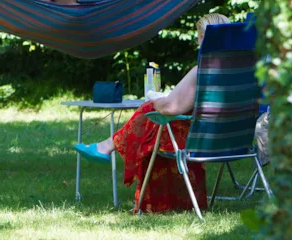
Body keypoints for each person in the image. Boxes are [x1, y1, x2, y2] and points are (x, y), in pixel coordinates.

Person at [74, 13, 231, 213]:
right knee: (154, 117)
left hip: (197, 141)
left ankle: (106, 147)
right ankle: (106, 147)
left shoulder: (202, 71)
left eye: (198, 37)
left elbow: (170, 109)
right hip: (230, 141)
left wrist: (157, 100)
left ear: (203, 38)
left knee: (151, 113)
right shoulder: (244, 71)